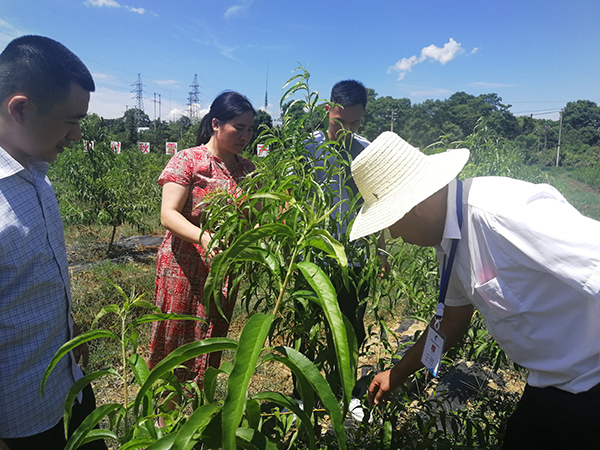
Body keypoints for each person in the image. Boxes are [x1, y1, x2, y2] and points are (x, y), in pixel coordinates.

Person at [349, 131, 600, 448]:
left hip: (591, 384)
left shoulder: (502, 214)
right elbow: (452, 320)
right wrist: (396, 374)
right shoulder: (449, 241)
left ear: (413, 207)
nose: (394, 235)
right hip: (549, 383)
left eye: (391, 223)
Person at [0, 36, 106, 449]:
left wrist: (64, 325)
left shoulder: (37, 172)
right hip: (22, 420)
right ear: (20, 109)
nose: (77, 135)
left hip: (70, 385)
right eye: (71, 120)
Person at [148, 91, 256, 386]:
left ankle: (198, 410)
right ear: (216, 123)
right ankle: (164, 416)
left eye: (250, 129)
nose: (245, 136)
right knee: (176, 337)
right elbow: (168, 215)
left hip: (223, 270)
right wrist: (203, 237)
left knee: (212, 337)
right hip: (184, 267)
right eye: (239, 127)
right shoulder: (188, 161)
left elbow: (257, 215)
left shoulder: (248, 170)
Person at [305, 80, 388, 348]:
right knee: (307, 326)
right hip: (312, 255)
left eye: (354, 124)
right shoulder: (307, 149)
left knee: (350, 327)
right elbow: (289, 200)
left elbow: (374, 204)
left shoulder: (366, 151)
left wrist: (382, 251)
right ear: (328, 109)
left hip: (354, 257)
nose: (346, 131)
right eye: (339, 122)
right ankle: (303, 390)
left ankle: (347, 388)